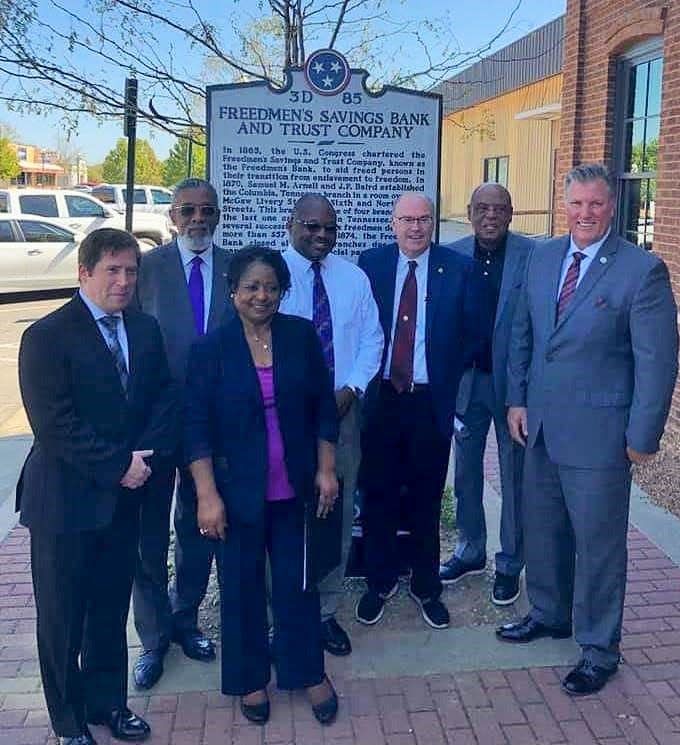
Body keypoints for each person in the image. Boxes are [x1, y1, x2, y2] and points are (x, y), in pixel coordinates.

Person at [499, 163, 679, 696]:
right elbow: (524, 334)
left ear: (612, 206)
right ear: (565, 203)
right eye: (576, 203)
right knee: (544, 530)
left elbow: (657, 361)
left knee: (598, 547)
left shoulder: (641, 270)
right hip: (540, 427)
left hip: (600, 436)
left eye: (595, 204)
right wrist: (515, 399)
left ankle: (600, 648)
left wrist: (642, 437)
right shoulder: (542, 255)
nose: (585, 213)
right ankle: (550, 613)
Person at [16, 228, 178, 745]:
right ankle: (68, 724)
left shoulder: (147, 330)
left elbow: (163, 399)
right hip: (63, 504)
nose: (124, 281)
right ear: (83, 272)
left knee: (109, 613)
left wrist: (142, 462)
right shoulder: (46, 336)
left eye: (131, 271)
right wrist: (117, 466)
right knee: (62, 621)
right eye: (112, 270)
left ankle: (109, 705)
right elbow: (54, 424)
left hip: (124, 501)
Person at [184, 246, 340, 725]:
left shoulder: (300, 336)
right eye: (251, 286)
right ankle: (250, 678)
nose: (261, 295)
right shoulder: (210, 349)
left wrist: (327, 469)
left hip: (294, 488)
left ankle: (306, 671)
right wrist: (207, 496)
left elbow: (323, 409)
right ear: (232, 291)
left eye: (271, 287)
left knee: (298, 583)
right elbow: (196, 427)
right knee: (242, 587)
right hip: (236, 493)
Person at [355, 192, 491, 630]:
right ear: (393, 223)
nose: (415, 228)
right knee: (377, 494)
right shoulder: (371, 264)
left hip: (429, 400)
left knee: (427, 497)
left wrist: (446, 377)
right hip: (381, 400)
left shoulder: (459, 269)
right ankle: (379, 581)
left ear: (434, 224)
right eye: (407, 219)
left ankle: (426, 586)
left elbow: (473, 335)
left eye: (424, 220)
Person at [131, 177, 234, 689]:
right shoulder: (145, 270)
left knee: (200, 525)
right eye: (188, 210)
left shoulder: (238, 268)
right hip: (154, 423)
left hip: (210, 424)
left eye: (207, 210)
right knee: (148, 536)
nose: (199, 219)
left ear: (219, 215)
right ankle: (153, 639)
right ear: (172, 216)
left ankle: (186, 618)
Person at [280, 193, 383, 656]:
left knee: (334, 512)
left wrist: (353, 388)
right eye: (311, 226)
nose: (321, 236)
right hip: (281, 416)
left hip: (342, 414)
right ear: (291, 225)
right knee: (282, 512)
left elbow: (372, 339)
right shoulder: (271, 275)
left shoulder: (353, 277)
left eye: (329, 228)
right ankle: (280, 611)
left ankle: (324, 612)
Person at [440, 184, 533, 605]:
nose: (490, 215)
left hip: (514, 384)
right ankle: (470, 549)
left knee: (514, 475)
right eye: (482, 208)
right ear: (469, 212)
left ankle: (510, 562)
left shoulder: (532, 256)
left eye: (498, 208)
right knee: (465, 471)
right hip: (467, 381)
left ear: (511, 213)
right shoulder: (452, 254)